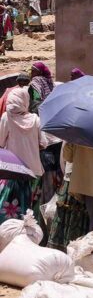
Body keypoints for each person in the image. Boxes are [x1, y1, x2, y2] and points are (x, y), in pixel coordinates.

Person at [0, 87, 49, 224]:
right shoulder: (35, 119)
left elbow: (0, 142)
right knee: (31, 208)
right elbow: (44, 143)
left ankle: (10, 234)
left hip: (12, 170)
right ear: (25, 101)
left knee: (10, 207)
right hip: (33, 171)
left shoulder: (6, 117)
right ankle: (32, 236)